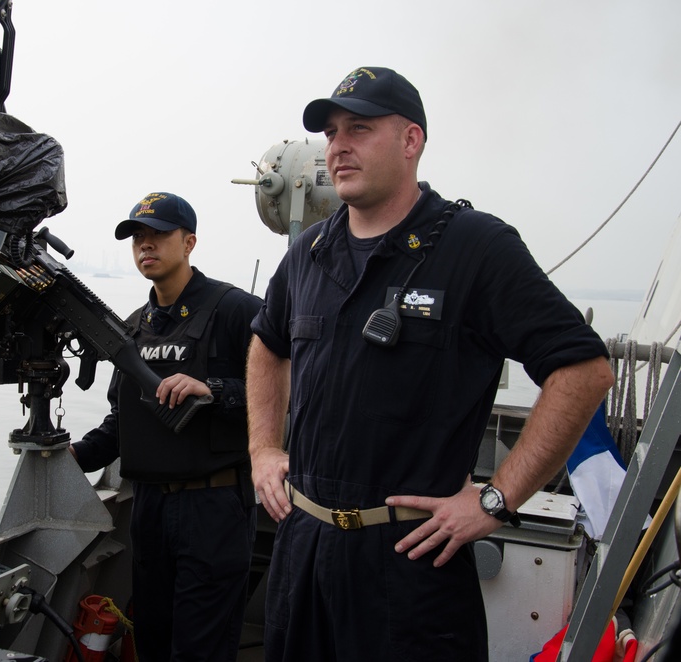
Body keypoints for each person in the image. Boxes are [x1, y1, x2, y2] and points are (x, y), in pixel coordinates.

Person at [246, 67, 615, 660]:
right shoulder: (310, 253)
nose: (338, 145)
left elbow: (583, 370)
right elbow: (267, 344)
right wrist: (263, 448)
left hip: (411, 564)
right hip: (304, 551)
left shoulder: (475, 247)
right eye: (333, 131)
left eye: (359, 128)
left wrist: (497, 499)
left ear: (411, 140)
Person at [70, 191, 262, 662]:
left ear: (189, 242)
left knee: (202, 646)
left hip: (215, 505)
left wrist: (213, 389)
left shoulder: (235, 310)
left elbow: (284, 395)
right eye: (138, 237)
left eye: (158, 235)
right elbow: (122, 422)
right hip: (150, 507)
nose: (145, 246)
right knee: (153, 637)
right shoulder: (133, 328)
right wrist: (74, 458)